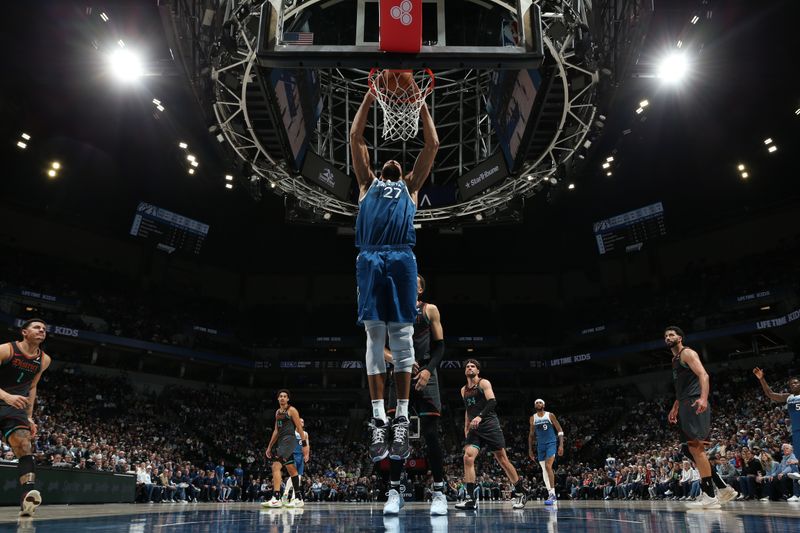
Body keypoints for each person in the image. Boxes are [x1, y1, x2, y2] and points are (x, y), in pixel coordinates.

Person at [349, 83, 439, 464]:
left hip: (402, 258)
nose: (396, 163)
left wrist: (419, 104)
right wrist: (371, 95)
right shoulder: (367, 184)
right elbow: (356, 136)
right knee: (374, 337)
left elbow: (431, 146)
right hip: (370, 257)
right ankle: (378, 419)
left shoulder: (411, 188)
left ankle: (401, 417)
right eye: (391, 162)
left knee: (402, 337)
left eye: (400, 163)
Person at [383, 274, 447, 516]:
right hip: (399, 374)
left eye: (413, 281)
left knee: (430, 434)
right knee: (398, 434)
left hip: (425, 375)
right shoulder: (391, 310)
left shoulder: (430, 310)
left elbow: (440, 347)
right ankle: (394, 492)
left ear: (419, 289)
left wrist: (429, 371)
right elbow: (379, 346)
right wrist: (403, 361)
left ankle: (439, 492)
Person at [665, 326, 737, 508]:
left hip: (694, 403)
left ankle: (710, 496)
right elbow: (682, 388)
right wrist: (675, 406)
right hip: (684, 403)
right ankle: (721, 487)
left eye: (671, 334)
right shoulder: (674, 359)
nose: (668, 337)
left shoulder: (687, 353)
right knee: (688, 450)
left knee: (697, 449)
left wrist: (703, 398)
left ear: (680, 337)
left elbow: (703, 375)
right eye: (665, 336)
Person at [454, 359, 526, 510]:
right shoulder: (463, 390)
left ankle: (520, 492)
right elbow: (468, 410)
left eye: (472, 366)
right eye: (467, 366)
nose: (469, 368)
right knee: (467, 457)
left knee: (502, 460)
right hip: (474, 428)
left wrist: (480, 417)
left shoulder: (483, 383)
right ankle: (470, 499)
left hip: (489, 425)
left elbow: (492, 402)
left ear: (478, 371)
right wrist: (466, 427)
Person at [0, 318, 52, 517]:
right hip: (5, 397)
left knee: (24, 444)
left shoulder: (44, 360)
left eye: (44, 329)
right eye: (37, 327)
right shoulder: (6, 350)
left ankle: (27, 494)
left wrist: (29, 416)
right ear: (24, 332)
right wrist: (6, 396)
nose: (42, 330)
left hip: (15, 408)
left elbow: (32, 386)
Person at [753, 367, 800, 480]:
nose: (794, 384)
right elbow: (770, 394)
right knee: (798, 455)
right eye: (791, 383)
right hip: (796, 429)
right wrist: (761, 379)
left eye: (796, 382)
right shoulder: (788, 397)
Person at [264, 390, 309, 508]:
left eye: (285, 396)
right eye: (280, 396)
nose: (282, 398)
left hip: (289, 441)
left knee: (276, 466)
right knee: (291, 469)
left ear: (288, 399)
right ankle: (299, 498)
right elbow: (276, 431)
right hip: (281, 442)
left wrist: (304, 445)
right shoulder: (277, 412)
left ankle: (276, 497)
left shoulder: (292, 410)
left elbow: (299, 428)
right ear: (278, 399)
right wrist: (269, 446)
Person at [528, 398, 564, 505]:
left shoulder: (550, 415)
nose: (538, 404)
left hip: (551, 443)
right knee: (544, 469)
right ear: (535, 406)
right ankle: (550, 493)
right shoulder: (532, 418)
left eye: (540, 402)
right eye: (536, 403)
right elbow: (531, 435)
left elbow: (560, 430)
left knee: (548, 466)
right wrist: (530, 449)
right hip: (540, 445)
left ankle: (552, 494)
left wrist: (561, 445)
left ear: (543, 405)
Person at [282, 418, 310, 504]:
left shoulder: (305, 434)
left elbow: (306, 445)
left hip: (300, 456)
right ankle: (286, 494)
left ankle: (294, 497)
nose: (302, 423)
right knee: (294, 476)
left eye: (303, 422)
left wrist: (307, 454)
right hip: (292, 455)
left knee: (299, 477)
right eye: (300, 421)